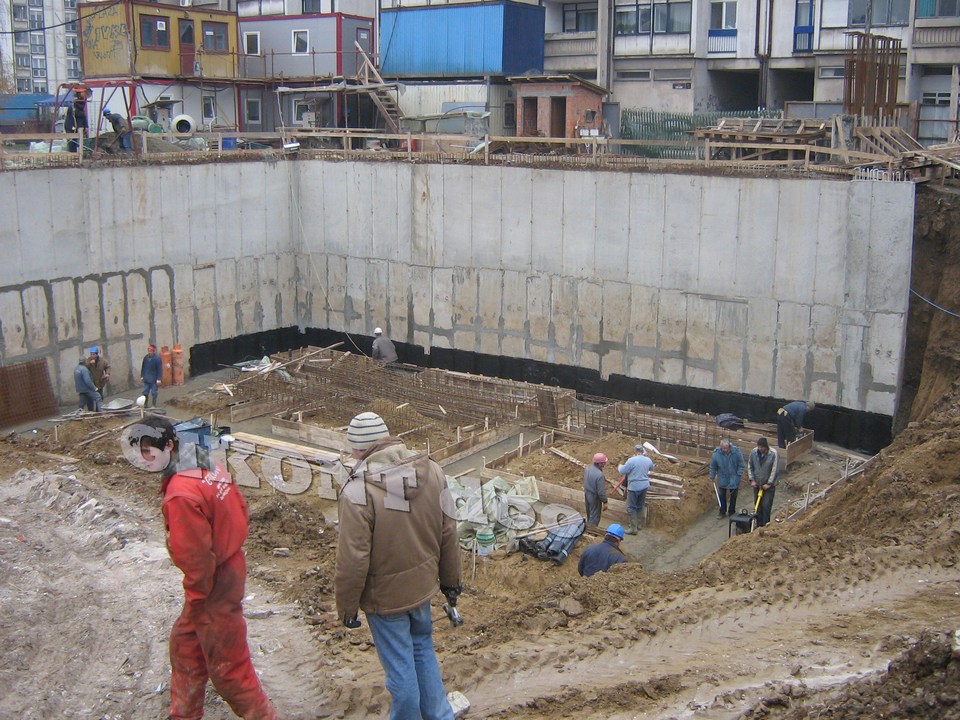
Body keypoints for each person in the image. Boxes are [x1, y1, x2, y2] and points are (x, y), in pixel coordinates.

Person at [123, 416, 279, 720]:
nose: (144, 460)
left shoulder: (181, 494)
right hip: (229, 567)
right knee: (186, 644)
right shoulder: (205, 464)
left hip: (213, 582)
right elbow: (241, 508)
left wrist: (197, 599)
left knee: (229, 668)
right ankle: (184, 713)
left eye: (148, 452)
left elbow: (197, 560)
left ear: (168, 445)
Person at [336, 411, 461, 720]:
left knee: (400, 668)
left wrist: (347, 608)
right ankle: (440, 715)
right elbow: (448, 531)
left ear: (359, 450)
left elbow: (353, 560)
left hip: (386, 599)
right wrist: (450, 582)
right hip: (422, 587)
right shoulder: (432, 471)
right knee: (422, 647)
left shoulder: (357, 493)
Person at [617, 444, 654, 535]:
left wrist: (619, 466)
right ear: (642, 451)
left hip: (634, 487)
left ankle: (633, 528)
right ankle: (638, 525)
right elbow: (652, 468)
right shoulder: (648, 460)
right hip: (644, 486)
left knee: (631, 507)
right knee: (640, 505)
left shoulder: (631, 460)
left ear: (635, 451)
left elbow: (623, 471)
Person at [748, 437, 779, 527]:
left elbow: (775, 469)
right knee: (758, 506)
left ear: (766, 447)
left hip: (768, 486)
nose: (760, 449)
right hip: (757, 484)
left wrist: (769, 483)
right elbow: (750, 466)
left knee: (766, 506)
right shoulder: (754, 452)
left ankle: (766, 525)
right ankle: (758, 524)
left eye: (762, 447)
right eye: (759, 447)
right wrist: (752, 480)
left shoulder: (773, 454)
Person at [710, 439, 745, 518]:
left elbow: (741, 464)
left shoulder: (736, 452)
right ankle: (722, 511)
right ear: (721, 447)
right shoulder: (716, 454)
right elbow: (713, 466)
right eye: (723, 448)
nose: (725, 450)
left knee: (733, 496)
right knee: (722, 495)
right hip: (723, 477)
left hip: (734, 477)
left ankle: (731, 511)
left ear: (729, 446)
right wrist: (712, 476)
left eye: (727, 448)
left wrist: (739, 474)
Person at [582, 452, 609, 527]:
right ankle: (591, 532)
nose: (605, 463)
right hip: (594, 497)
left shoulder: (587, 469)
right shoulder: (599, 475)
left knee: (589, 513)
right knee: (594, 516)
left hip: (587, 494)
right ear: (600, 464)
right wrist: (605, 501)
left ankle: (588, 528)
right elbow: (601, 492)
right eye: (604, 462)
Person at [140, 343, 163, 408]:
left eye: (151, 351)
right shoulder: (146, 358)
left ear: (153, 351)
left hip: (153, 380)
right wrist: (142, 376)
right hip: (146, 379)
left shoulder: (157, 359)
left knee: (154, 392)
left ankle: (153, 404)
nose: (149, 352)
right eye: (149, 350)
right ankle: (145, 404)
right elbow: (143, 367)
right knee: (145, 392)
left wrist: (159, 379)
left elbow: (159, 369)